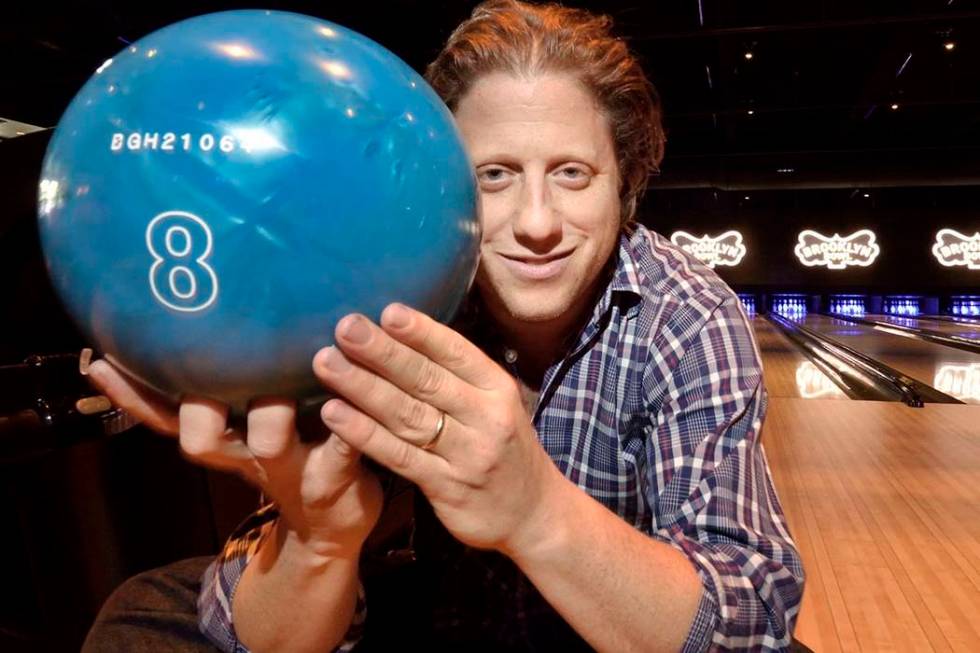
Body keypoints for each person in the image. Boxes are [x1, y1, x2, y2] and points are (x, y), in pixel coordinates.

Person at [83, 1, 805, 651]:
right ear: (439, 185)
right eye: (493, 175)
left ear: (627, 182)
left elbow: (751, 617)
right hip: (422, 613)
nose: (536, 223)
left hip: (595, 625)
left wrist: (535, 510)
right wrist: (321, 538)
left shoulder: (686, 317)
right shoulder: (382, 294)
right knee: (146, 616)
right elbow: (268, 637)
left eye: (573, 173)